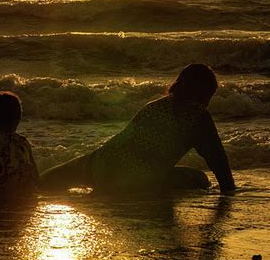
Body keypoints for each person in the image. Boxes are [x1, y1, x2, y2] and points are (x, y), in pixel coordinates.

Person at [41, 64, 236, 195]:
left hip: (102, 162)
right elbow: (218, 162)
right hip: (138, 180)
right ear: (205, 94)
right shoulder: (199, 117)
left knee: (45, 182)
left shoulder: (155, 105)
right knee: (199, 179)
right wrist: (230, 192)